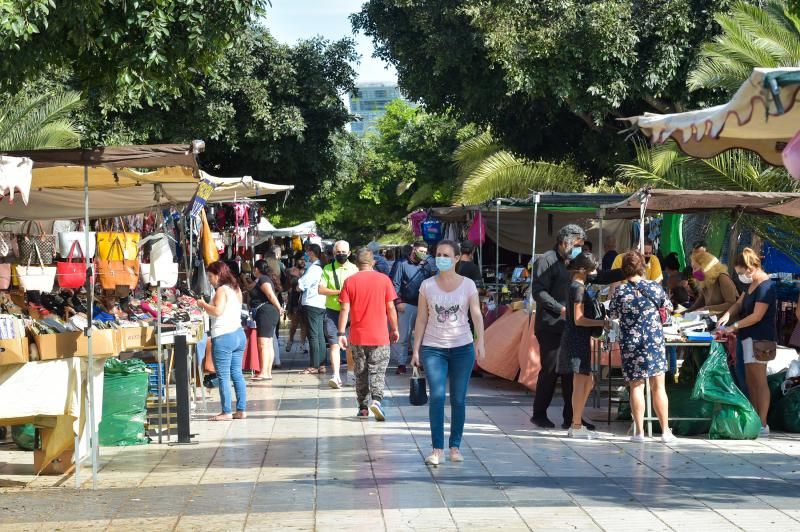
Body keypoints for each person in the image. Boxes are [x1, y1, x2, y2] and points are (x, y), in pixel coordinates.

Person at [531, 224, 623, 429]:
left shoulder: (576, 262)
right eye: (578, 245)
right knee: (551, 369)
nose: (580, 249)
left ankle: (572, 417)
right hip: (551, 325)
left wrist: (624, 272)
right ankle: (539, 414)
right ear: (565, 242)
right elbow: (538, 292)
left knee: (571, 372)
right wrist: (560, 309)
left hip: (571, 327)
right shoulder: (546, 260)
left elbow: (598, 276)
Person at [411, 240, 484, 466]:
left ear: (456, 258)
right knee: (438, 397)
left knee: (459, 399)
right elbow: (421, 318)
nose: (441, 258)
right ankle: (437, 449)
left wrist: (480, 341)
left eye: (446, 255)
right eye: (438, 254)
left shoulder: (469, 285)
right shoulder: (427, 285)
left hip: (462, 347)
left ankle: (455, 446)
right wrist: (416, 349)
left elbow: (477, 314)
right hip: (433, 349)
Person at [608, 251, 676, 443]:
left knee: (636, 388)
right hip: (654, 342)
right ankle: (665, 431)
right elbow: (668, 307)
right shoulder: (655, 288)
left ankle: (639, 432)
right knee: (659, 387)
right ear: (642, 267)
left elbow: (612, 313)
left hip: (631, 344)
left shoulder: (621, 291)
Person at [717, 248, 776, 437]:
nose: (741, 276)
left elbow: (757, 316)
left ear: (751, 268)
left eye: (742, 273)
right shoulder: (750, 285)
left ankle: (763, 422)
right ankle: (755, 419)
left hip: (760, 338)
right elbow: (739, 304)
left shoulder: (766, 286)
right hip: (747, 337)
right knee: (750, 380)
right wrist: (727, 315)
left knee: (759, 380)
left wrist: (733, 326)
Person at [338, 248, 400, 420]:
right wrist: (394, 328)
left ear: (356, 264)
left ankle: (363, 407)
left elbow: (344, 309)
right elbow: (390, 308)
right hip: (380, 336)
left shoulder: (350, 281)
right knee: (378, 371)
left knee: (361, 371)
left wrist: (341, 332)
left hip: (357, 336)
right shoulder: (384, 280)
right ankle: (377, 400)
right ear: (373, 262)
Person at [557, 252, 608, 439]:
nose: (594, 272)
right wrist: (602, 323)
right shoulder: (577, 288)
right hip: (576, 338)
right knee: (580, 383)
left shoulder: (574, 285)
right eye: (592, 269)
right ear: (582, 269)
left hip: (576, 338)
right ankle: (576, 424)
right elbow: (579, 320)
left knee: (587, 381)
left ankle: (576, 422)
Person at [198, 261, 247, 421]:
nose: (210, 279)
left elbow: (218, 311)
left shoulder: (220, 290)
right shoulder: (235, 288)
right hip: (239, 334)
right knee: (237, 374)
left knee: (224, 376)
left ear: (218, 275)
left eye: (211, 276)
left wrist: (203, 304)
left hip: (224, 336)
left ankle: (226, 411)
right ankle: (241, 410)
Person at [319, 240, 359, 388]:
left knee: (349, 344)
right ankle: (336, 375)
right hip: (332, 311)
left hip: (350, 312)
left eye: (344, 252)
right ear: (334, 253)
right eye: (338, 252)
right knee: (334, 344)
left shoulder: (354, 269)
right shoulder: (328, 269)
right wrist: (339, 292)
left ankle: (350, 374)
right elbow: (321, 289)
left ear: (349, 253)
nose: (341, 255)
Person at [390, 241, 434, 374]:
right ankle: (401, 364)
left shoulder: (426, 265)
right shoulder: (401, 264)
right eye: (421, 251)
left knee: (422, 336)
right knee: (404, 336)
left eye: (425, 252)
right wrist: (398, 302)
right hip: (406, 304)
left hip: (423, 306)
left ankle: (419, 362)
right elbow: (393, 284)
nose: (423, 254)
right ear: (414, 249)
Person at [243, 260, 283, 380]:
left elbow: (271, 295)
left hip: (266, 313)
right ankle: (267, 372)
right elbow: (250, 287)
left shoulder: (263, 279)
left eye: (254, 268)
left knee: (263, 344)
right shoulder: (261, 279)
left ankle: (264, 372)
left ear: (256, 269)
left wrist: (279, 307)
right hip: (267, 312)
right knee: (268, 343)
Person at [297, 243, 327, 374]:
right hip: (320, 303)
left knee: (313, 335)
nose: (305, 255)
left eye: (307, 252)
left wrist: (298, 284)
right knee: (320, 335)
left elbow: (302, 284)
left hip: (312, 303)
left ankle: (314, 365)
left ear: (311, 253)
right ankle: (321, 364)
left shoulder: (314, 268)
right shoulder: (320, 267)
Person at [687, 251, 738, 316]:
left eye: (695, 268)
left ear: (705, 266)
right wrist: (681, 314)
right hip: (715, 322)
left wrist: (706, 309)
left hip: (729, 323)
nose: (693, 272)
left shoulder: (722, 278)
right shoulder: (705, 282)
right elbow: (697, 305)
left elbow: (732, 303)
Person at [285, 255, 307, 354]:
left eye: (304, 259)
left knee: (304, 324)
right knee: (294, 323)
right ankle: (290, 340)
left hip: (305, 300)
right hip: (294, 300)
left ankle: (302, 344)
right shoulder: (290, 271)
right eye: (300, 259)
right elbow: (287, 285)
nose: (302, 261)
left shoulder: (307, 271)